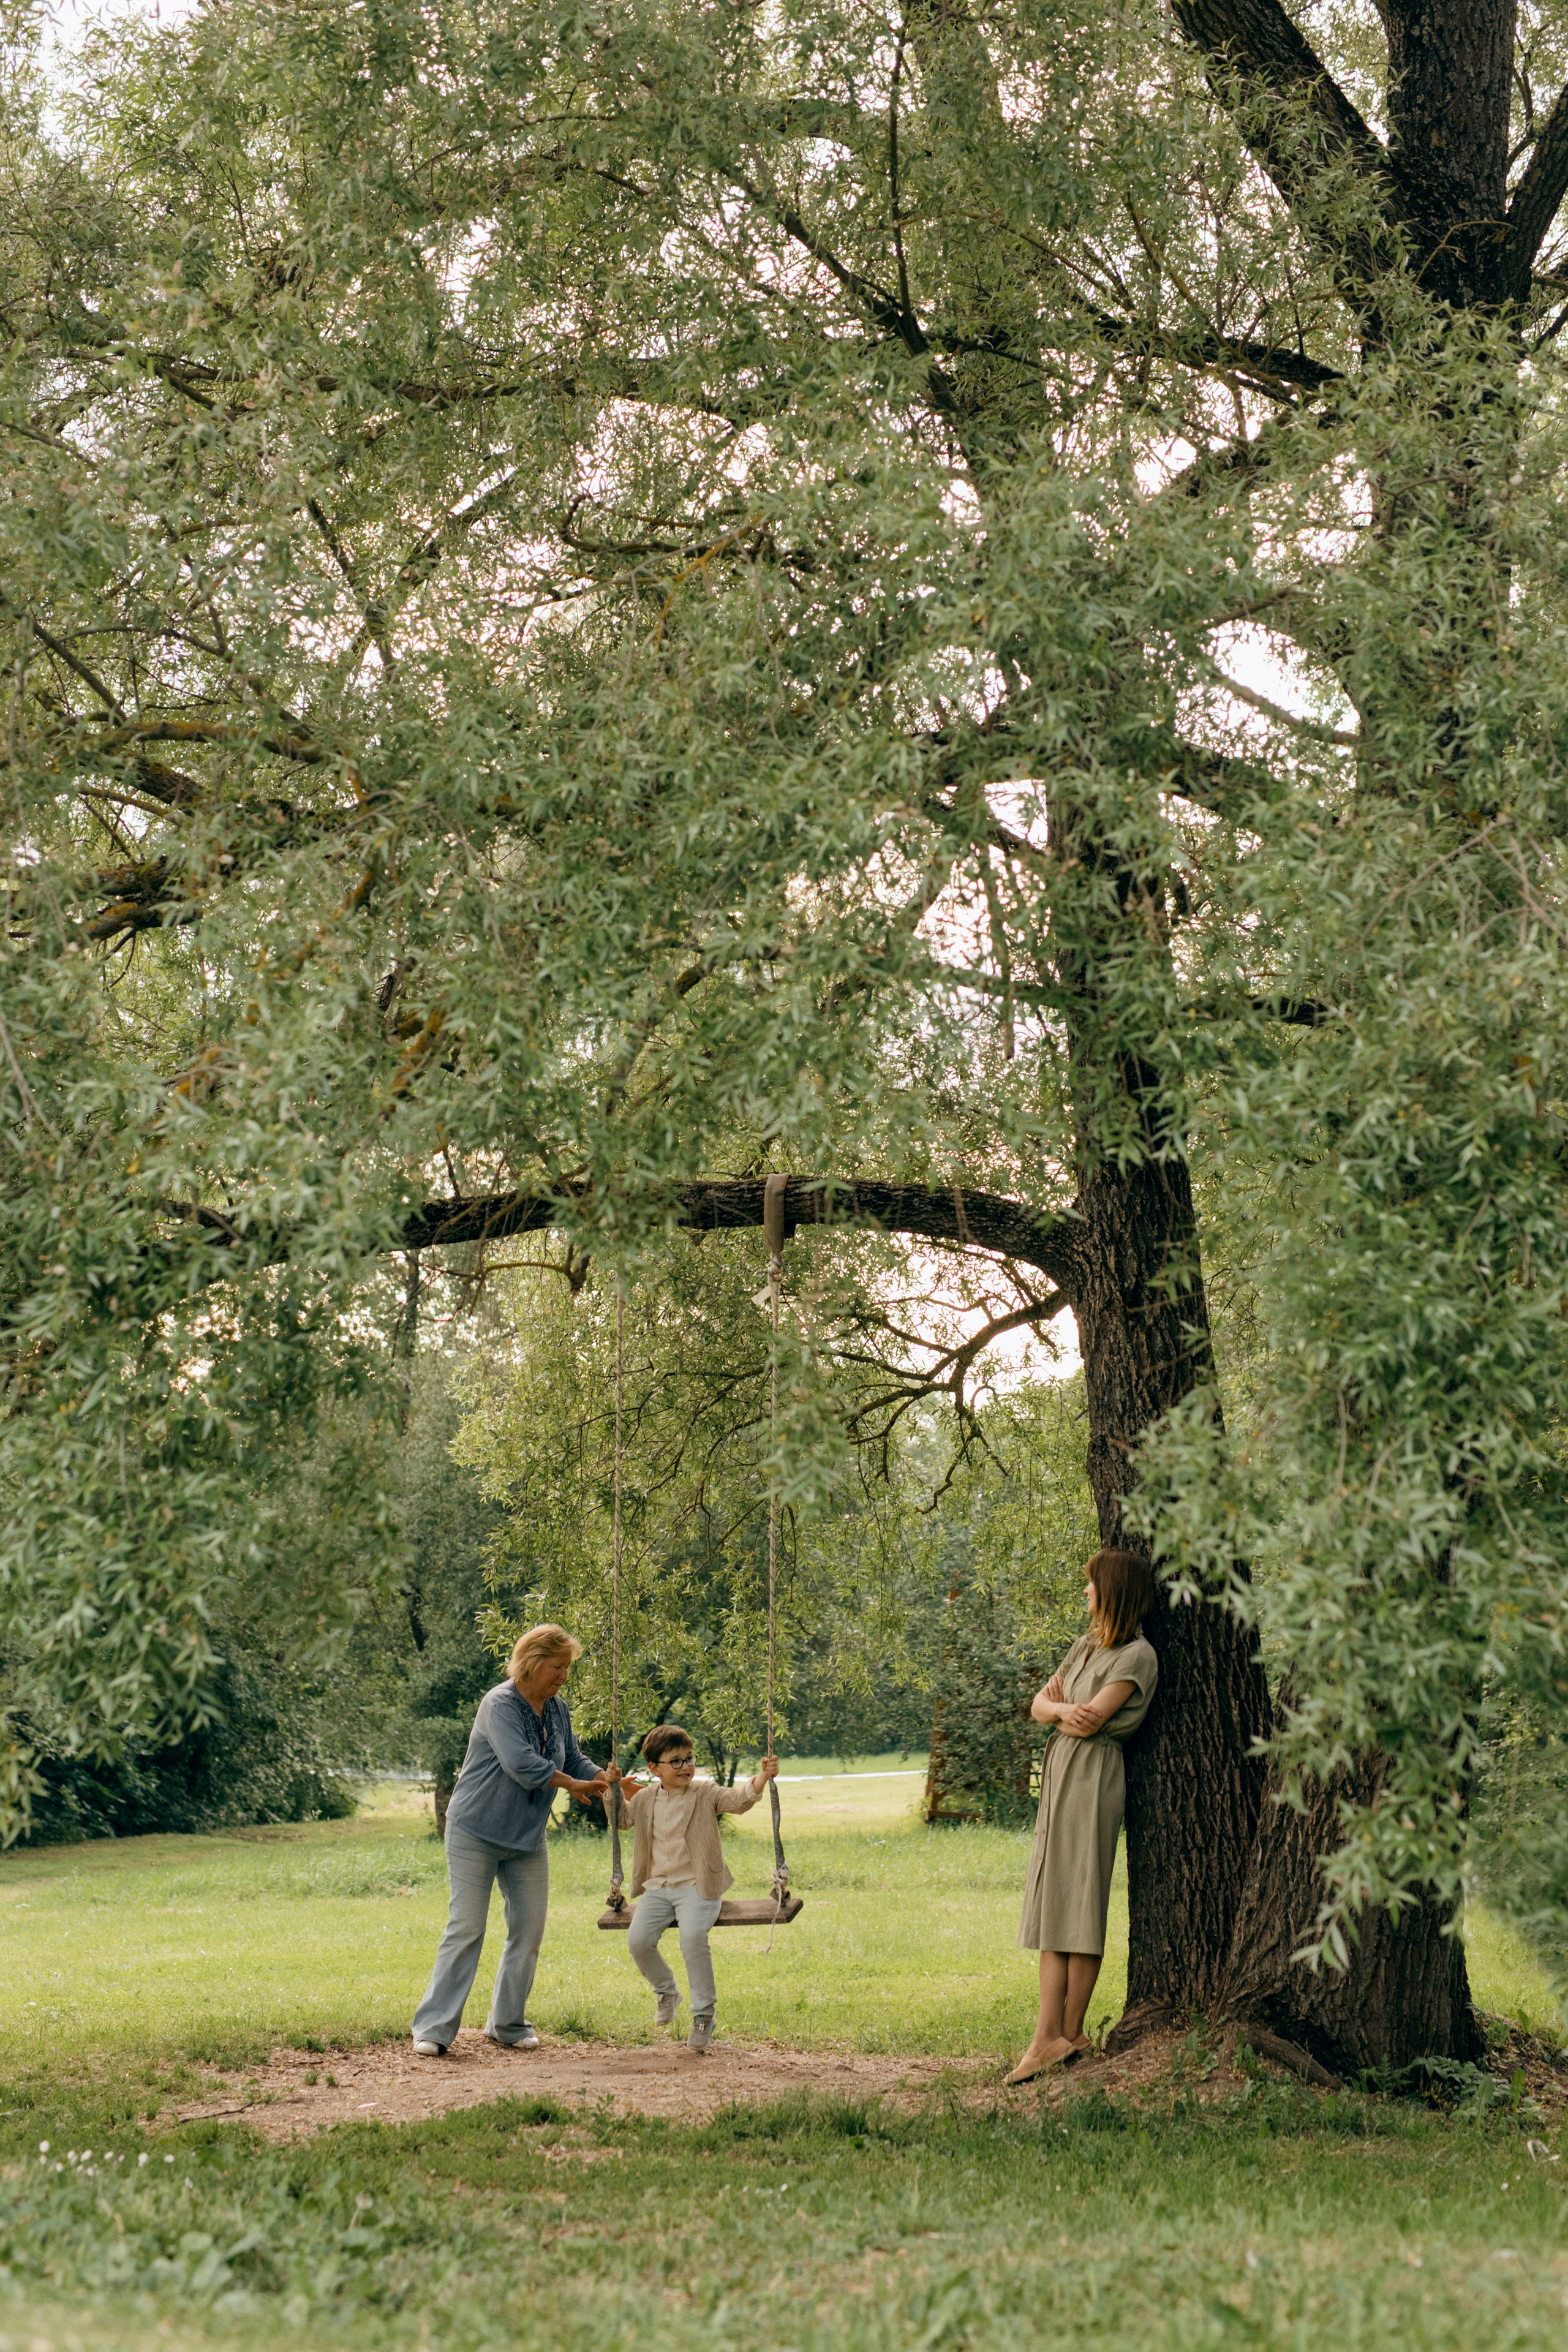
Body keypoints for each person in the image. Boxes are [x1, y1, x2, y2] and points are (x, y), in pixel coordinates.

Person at [410, 1623, 609, 2056]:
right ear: (532, 1663)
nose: (563, 1676)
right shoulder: (499, 1703)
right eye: (556, 1667)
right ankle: (433, 2029)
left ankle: (508, 2024)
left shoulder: (556, 1707)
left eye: (567, 1668)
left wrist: (603, 1779)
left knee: (529, 1930)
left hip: (526, 1837)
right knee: (467, 1927)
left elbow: (570, 1755)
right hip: (475, 1831)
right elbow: (523, 1766)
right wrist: (572, 1786)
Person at [1009, 1548, 1159, 2085]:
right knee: (1055, 1900)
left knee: (1080, 1899)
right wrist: (1060, 1711)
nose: (1086, 1593)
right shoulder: (1086, 1646)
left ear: (1113, 1590)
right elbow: (1039, 1706)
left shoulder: (1137, 1656)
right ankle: (1054, 2035)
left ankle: (1062, 2032)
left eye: (1092, 1585)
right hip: (1064, 1775)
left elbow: (1094, 1720)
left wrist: (1067, 1712)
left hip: (1095, 1779)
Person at [605, 1725, 779, 2054]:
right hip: (658, 1886)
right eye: (676, 1762)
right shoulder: (644, 1799)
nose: (686, 1767)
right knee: (638, 1941)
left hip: (699, 1886)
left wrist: (762, 1777)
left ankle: (703, 2014)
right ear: (654, 1769)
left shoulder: (704, 1793)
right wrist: (613, 1788)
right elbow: (622, 1819)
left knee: (692, 1939)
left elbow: (739, 1800)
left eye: (689, 1759)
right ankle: (667, 1991)